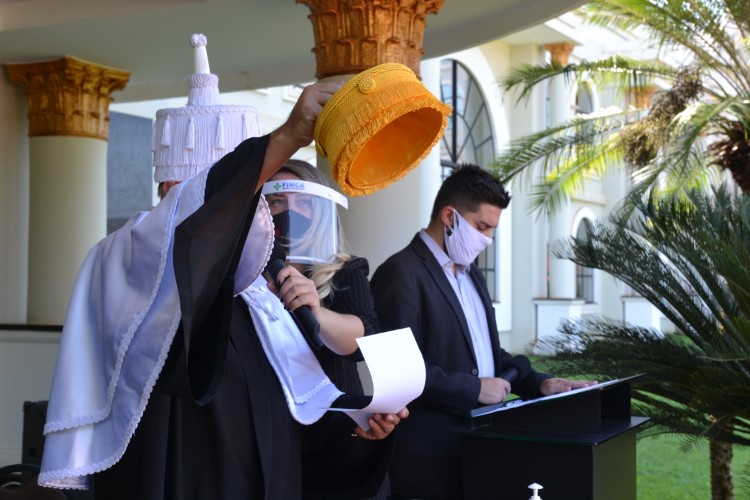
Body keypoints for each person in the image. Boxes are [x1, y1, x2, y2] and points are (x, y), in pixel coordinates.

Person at [39, 34, 406, 500]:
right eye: (237, 189)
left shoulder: (257, 285)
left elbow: (299, 400)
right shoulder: (130, 252)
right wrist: (288, 136)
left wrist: (358, 422)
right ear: (173, 187)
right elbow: (188, 229)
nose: (251, 205)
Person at [370, 164, 596, 499]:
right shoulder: (399, 272)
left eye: (492, 230)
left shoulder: (472, 275)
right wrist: (473, 388)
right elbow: (397, 373)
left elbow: (486, 354)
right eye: (482, 227)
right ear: (449, 217)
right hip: (424, 465)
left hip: (478, 455)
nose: (487, 240)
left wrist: (539, 384)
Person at [264, 160, 377, 395]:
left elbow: (365, 341)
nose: (290, 211)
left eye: (303, 202)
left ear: (321, 212)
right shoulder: (248, 275)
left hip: (333, 410)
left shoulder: (344, 270)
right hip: (271, 405)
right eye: (277, 201)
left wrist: (317, 313)